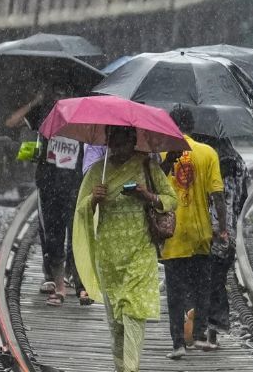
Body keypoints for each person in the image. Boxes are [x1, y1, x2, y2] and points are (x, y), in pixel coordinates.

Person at [73, 126, 177, 372]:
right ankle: (121, 367)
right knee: (115, 321)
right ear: (107, 141)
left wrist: (147, 196)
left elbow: (171, 199)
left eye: (123, 141)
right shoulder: (98, 171)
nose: (118, 147)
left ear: (133, 141)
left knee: (133, 312)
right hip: (108, 255)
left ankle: (131, 367)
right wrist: (93, 199)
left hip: (140, 252)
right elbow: (80, 210)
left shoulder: (147, 167)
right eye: (114, 141)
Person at [4, 84, 89, 306]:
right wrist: (35, 102)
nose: (61, 95)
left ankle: (81, 285)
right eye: (57, 91)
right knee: (53, 236)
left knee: (78, 236)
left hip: (75, 184)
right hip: (49, 183)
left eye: (65, 91)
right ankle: (58, 285)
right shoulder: (44, 112)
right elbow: (11, 122)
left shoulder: (83, 113)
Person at [159, 107, 227, 359]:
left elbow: (155, 187)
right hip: (200, 233)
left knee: (175, 291)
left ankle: (178, 343)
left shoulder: (163, 153)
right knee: (202, 287)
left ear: (171, 125)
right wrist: (223, 228)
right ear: (193, 125)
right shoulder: (208, 153)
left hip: (173, 232)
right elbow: (217, 194)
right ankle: (198, 335)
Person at [197, 132, 250, 349]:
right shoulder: (237, 161)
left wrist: (219, 227)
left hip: (209, 230)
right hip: (226, 233)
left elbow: (216, 198)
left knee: (204, 281)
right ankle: (213, 331)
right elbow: (244, 195)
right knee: (216, 281)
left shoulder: (210, 160)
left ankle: (202, 328)